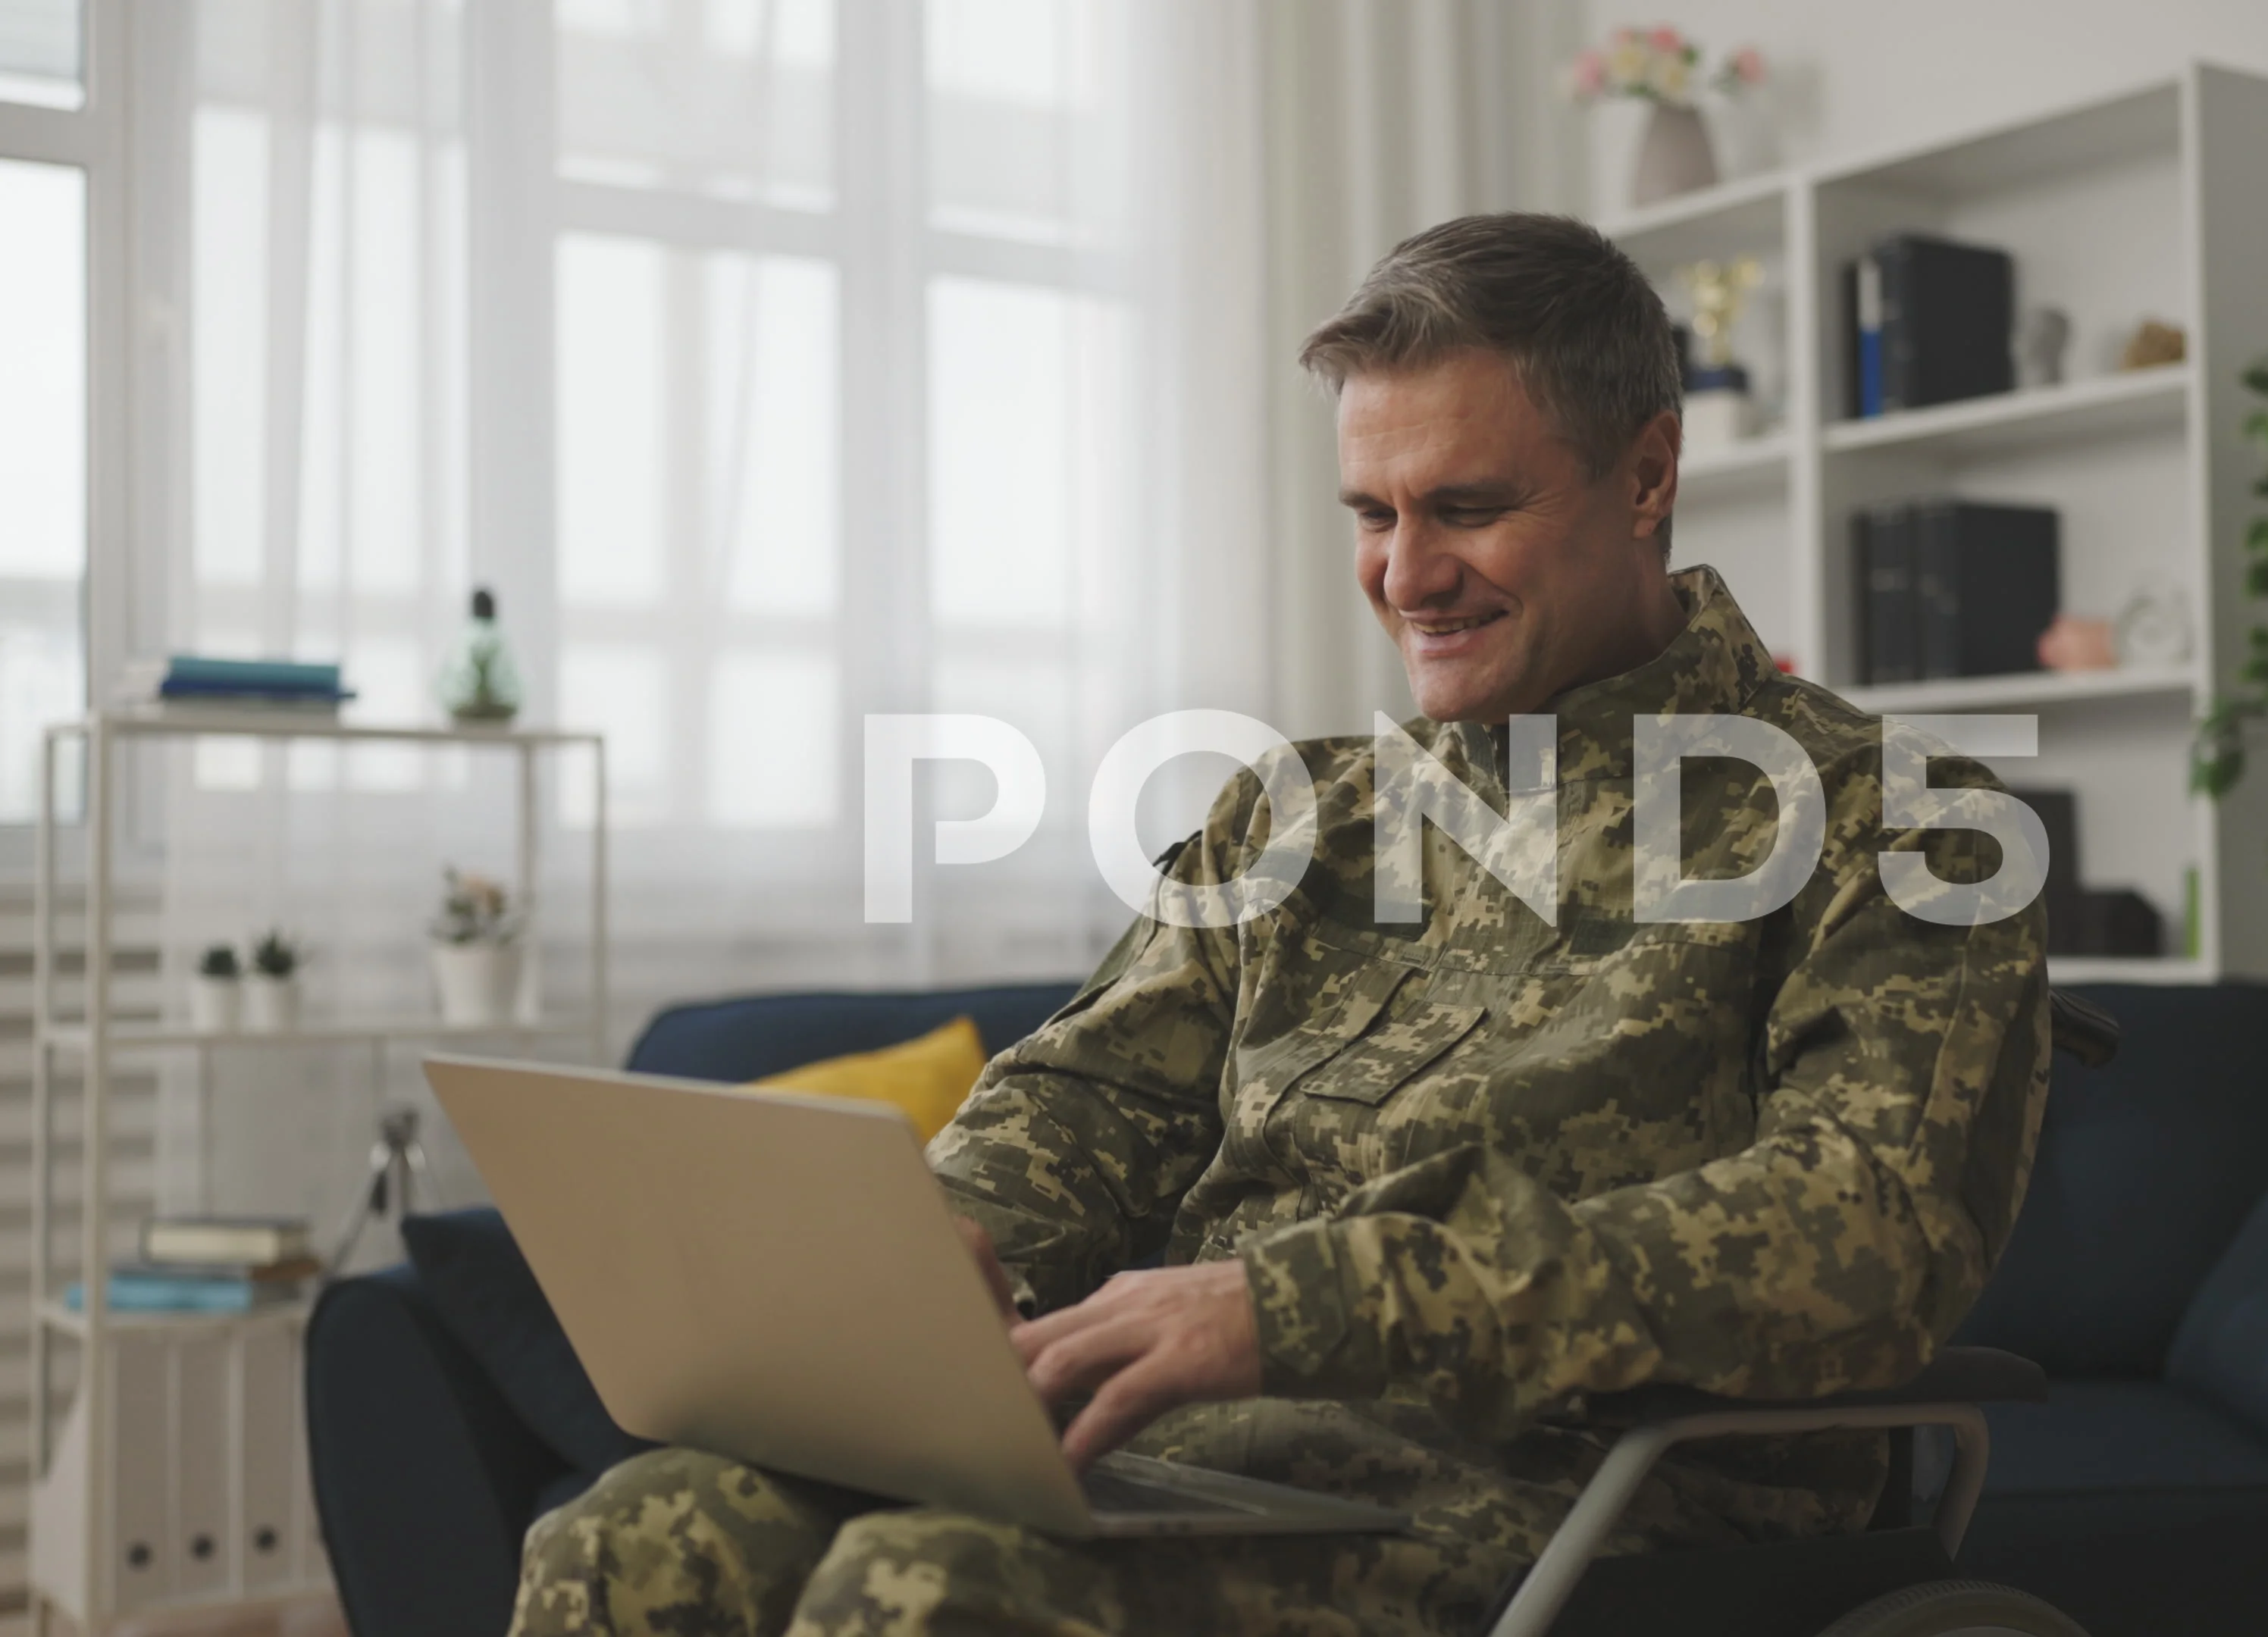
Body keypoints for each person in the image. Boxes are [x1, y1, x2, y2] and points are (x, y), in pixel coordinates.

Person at [512, 212, 2050, 1637]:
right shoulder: (1291, 818)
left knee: (932, 1589)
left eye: (1465, 507)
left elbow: (1863, 1239)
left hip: (1566, 1505)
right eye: (1370, 513)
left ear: (1645, 475)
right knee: (636, 1534)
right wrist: (937, 1252)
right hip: (1186, 1461)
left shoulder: (1896, 827)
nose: (1403, 572)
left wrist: (1302, 1306)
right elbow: (1082, 1103)